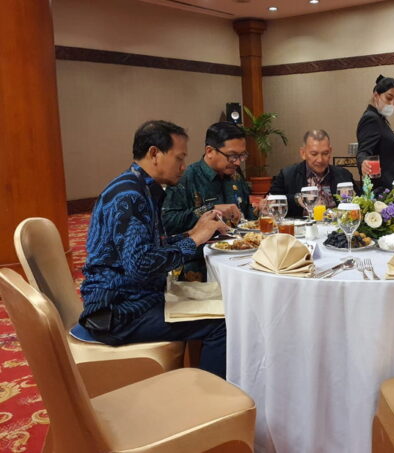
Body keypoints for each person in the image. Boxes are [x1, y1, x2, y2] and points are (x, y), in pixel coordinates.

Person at [79, 120, 229, 378]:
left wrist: (191, 233)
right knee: (223, 323)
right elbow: (141, 265)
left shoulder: (137, 186)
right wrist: (194, 240)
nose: (183, 166)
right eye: (179, 157)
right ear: (154, 153)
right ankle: (212, 395)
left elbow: (147, 250)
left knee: (219, 300)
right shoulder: (129, 196)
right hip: (117, 310)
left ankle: (201, 380)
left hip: (131, 297)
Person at [162, 121, 255, 281]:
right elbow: (168, 222)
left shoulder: (236, 177)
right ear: (210, 151)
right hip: (198, 265)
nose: (238, 162)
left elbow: (246, 216)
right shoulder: (186, 178)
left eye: (242, 156)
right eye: (232, 156)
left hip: (240, 261)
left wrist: (259, 213)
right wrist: (210, 209)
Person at [269, 129, 356, 218]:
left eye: (325, 153)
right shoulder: (287, 175)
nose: (320, 160)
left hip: (336, 225)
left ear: (330, 151)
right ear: (303, 153)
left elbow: (359, 204)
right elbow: (271, 202)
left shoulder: (343, 175)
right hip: (301, 225)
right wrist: (296, 199)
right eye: (314, 154)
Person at [356, 75, 394, 190]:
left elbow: (389, 157)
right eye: (389, 98)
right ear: (376, 95)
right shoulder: (371, 119)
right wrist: (363, 162)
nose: (392, 104)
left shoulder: (380, 119)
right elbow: (363, 151)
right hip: (383, 191)